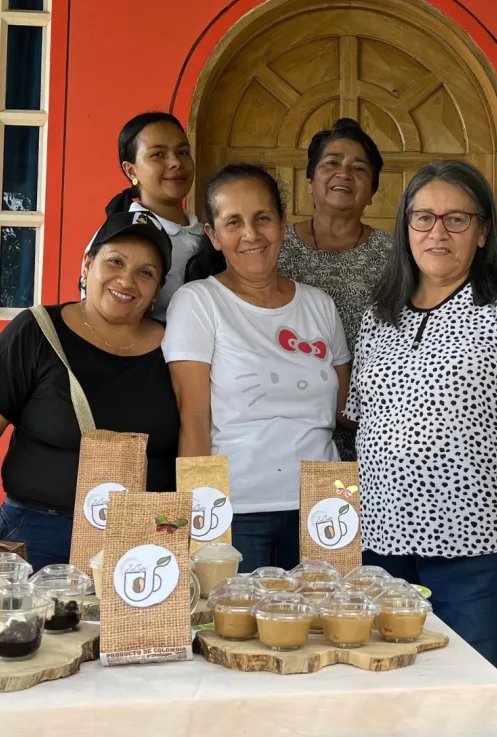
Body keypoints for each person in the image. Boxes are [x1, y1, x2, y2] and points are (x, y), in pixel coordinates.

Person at [345, 160, 497, 681]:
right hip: (382, 543)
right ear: (405, 228)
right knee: (391, 688)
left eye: (456, 219)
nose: (437, 231)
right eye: (422, 218)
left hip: (482, 545)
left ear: (483, 229)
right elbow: (359, 422)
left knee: (475, 691)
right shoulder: (382, 310)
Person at [0, 211, 181, 572]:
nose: (127, 279)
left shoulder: (177, 349)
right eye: (115, 261)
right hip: (41, 532)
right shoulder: (37, 331)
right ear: (87, 265)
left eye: (146, 272)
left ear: (157, 289)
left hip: (146, 540)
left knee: (133, 632)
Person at [165, 163, 351, 572]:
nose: (251, 234)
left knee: (326, 630)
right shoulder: (199, 303)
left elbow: (344, 410)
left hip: (323, 508)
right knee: (239, 632)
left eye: (263, 218)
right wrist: (196, 525)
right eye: (233, 222)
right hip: (238, 510)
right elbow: (193, 421)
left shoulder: (319, 305)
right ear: (213, 235)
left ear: (282, 224)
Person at [278, 118, 394, 461]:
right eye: (331, 163)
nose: (344, 173)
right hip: (288, 420)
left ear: (372, 191)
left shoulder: (400, 254)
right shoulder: (272, 245)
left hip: (374, 424)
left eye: (359, 168)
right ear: (310, 181)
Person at [87, 112, 204, 320]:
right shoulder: (115, 239)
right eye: (158, 154)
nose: (176, 162)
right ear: (131, 170)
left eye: (183, 152)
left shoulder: (209, 234)